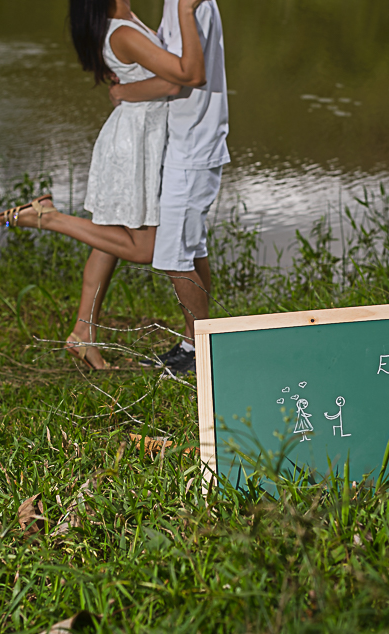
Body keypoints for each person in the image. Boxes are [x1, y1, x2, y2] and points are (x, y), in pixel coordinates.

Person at [0, 0, 208, 371]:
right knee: (148, 249)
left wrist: (129, 88)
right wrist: (128, 91)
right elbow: (181, 76)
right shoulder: (121, 30)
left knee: (106, 239)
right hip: (138, 143)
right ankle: (50, 218)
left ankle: (82, 334)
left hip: (136, 137)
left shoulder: (124, 18)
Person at [109, 0, 230, 375]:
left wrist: (125, 93)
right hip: (186, 140)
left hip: (192, 145)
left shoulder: (183, 4)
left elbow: (188, 75)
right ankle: (195, 342)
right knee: (192, 249)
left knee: (175, 257)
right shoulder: (177, 4)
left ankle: (200, 353)